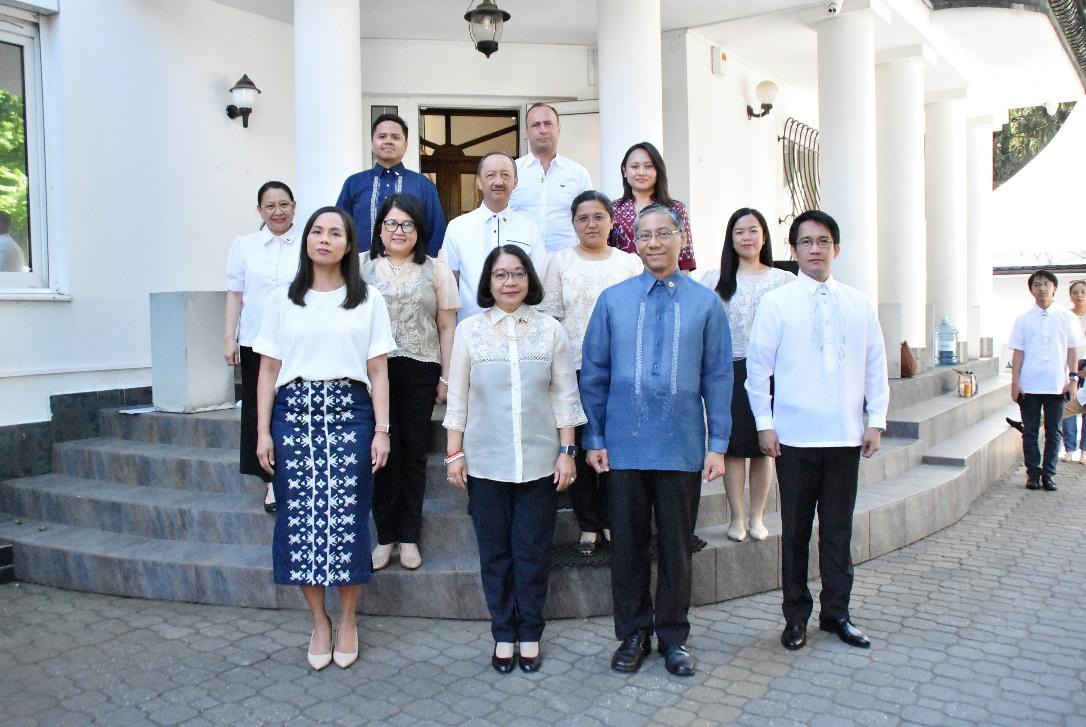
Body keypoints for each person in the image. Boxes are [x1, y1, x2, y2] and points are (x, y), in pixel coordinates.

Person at [581, 203, 731, 678]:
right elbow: (595, 374)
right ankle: (632, 634)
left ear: (681, 238)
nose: (653, 243)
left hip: (682, 444)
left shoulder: (706, 303)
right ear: (634, 243)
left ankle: (672, 637)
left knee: (675, 546)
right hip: (623, 445)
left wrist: (719, 443)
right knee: (625, 545)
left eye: (663, 233)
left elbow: (719, 376)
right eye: (644, 235)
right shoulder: (613, 300)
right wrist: (595, 436)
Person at [253, 206, 396, 671]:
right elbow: (268, 371)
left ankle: (349, 618)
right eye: (317, 230)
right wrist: (261, 432)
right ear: (306, 239)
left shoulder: (367, 299)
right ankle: (319, 622)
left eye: (335, 233)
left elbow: (378, 370)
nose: (324, 239)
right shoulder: (281, 300)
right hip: (294, 416)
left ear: (348, 243)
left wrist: (381, 430)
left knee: (348, 521)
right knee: (300, 523)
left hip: (350, 414)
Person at [745, 209, 889, 652]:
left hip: (845, 436)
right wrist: (765, 425)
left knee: (838, 531)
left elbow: (875, 364)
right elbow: (757, 369)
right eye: (805, 242)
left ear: (836, 249)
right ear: (793, 250)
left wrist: (877, 419)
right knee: (796, 532)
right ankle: (795, 617)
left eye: (823, 241)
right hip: (794, 439)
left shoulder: (859, 302)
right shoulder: (778, 302)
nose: (814, 249)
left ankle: (837, 614)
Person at [443, 245, 585, 674]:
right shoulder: (470, 331)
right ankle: (503, 633)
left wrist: (567, 452)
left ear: (530, 280)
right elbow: (458, 398)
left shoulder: (550, 331)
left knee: (532, 553)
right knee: (495, 554)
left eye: (518, 274)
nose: (510, 282)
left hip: (541, 464)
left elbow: (564, 395)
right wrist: (454, 453)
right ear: (488, 282)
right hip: (485, 464)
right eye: (501, 275)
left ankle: (531, 633)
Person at [539, 190, 642, 556]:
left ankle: (614, 520)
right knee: (582, 446)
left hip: (622, 371)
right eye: (583, 217)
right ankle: (588, 524)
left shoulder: (629, 263)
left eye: (598, 216)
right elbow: (549, 317)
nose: (591, 224)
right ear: (573, 223)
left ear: (612, 221)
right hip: (574, 368)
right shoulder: (560, 262)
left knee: (617, 447)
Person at [363, 193, 460, 572]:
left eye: (407, 224)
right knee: (382, 457)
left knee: (413, 455)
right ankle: (384, 536)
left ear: (418, 230)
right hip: (375, 372)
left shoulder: (435, 269)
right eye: (391, 224)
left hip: (420, 369)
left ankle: (408, 537)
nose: (399, 231)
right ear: (380, 228)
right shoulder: (362, 268)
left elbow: (447, 325)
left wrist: (447, 378)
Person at [699, 208, 795, 543]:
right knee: (734, 448)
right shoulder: (714, 279)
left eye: (753, 231)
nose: (747, 238)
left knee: (763, 447)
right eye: (739, 232)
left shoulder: (783, 279)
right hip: (730, 370)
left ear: (764, 236)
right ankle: (736, 517)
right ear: (731, 238)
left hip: (770, 373)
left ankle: (757, 516)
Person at [224, 181, 299, 515]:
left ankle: (295, 472)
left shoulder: (307, 243)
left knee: (292, 406)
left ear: (294, 206)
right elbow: (235, 293)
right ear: (259, 211)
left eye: (283, 204)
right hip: (256, 339)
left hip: (297, 339)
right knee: (259, 409)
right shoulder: (245, 245)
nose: (277, 212)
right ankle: (269, 481)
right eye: (270, 206)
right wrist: (229, 337)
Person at [440, 151, 548, 320]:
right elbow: (449, 283)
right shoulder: (457, 227)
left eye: (505, 175)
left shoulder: (530, 228)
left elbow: (539, 278)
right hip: (471, 326)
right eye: (490, 175)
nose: (498, 181)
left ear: (515, 182)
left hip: (520, 325)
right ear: (479, 181)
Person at [1008, 269, 1082, 492]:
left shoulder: (1067, 317)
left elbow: (1072, 350)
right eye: (1037, 284)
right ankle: (1032, 473)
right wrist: (1015, 382)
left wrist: (1073, 378)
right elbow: (1018, 353)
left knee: (1054, 431)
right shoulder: (1023, 320)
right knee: (1030, 432)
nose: (1042, 288)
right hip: (1029, 385)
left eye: (1046, 284)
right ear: (1031, 290)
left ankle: (1048, 474)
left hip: (1057, 384)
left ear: (1054, 288)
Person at [336, 113, 447, 256]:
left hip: (412, 274)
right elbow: (339, 229)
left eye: (395, 137)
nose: (388, 141)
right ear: (372, 143)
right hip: (360, 273)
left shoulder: (423, 185)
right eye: (382, 136)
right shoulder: (354, 183)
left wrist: (425, 271)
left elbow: (437, 233)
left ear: (406, 145)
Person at [509, 102, 592, 254]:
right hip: (520, 264)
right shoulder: (511, 172)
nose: (543, 130)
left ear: (559, 128)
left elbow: (589, 219)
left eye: (548, 124)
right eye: (536, 125)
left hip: (567, 263)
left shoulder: (578, 174)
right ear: (526, 132)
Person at [608, 142, 696, 272]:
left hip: (665, 285)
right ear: (624, 170)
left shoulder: (676, 209)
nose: (641, 172)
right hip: (623, 284)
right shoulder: (612, 210)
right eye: (634, 166)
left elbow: (684, 260)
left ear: (658, 170)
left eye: (648, 166)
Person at [1059, 279, 1086, 463]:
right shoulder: (1065, 316)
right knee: (1068, 406)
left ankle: (1085, 451)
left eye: (1083, 292)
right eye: (1075, 292)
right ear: (1070, 296)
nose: (1079, 295)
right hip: (1071, 364)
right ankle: (1069, 449)